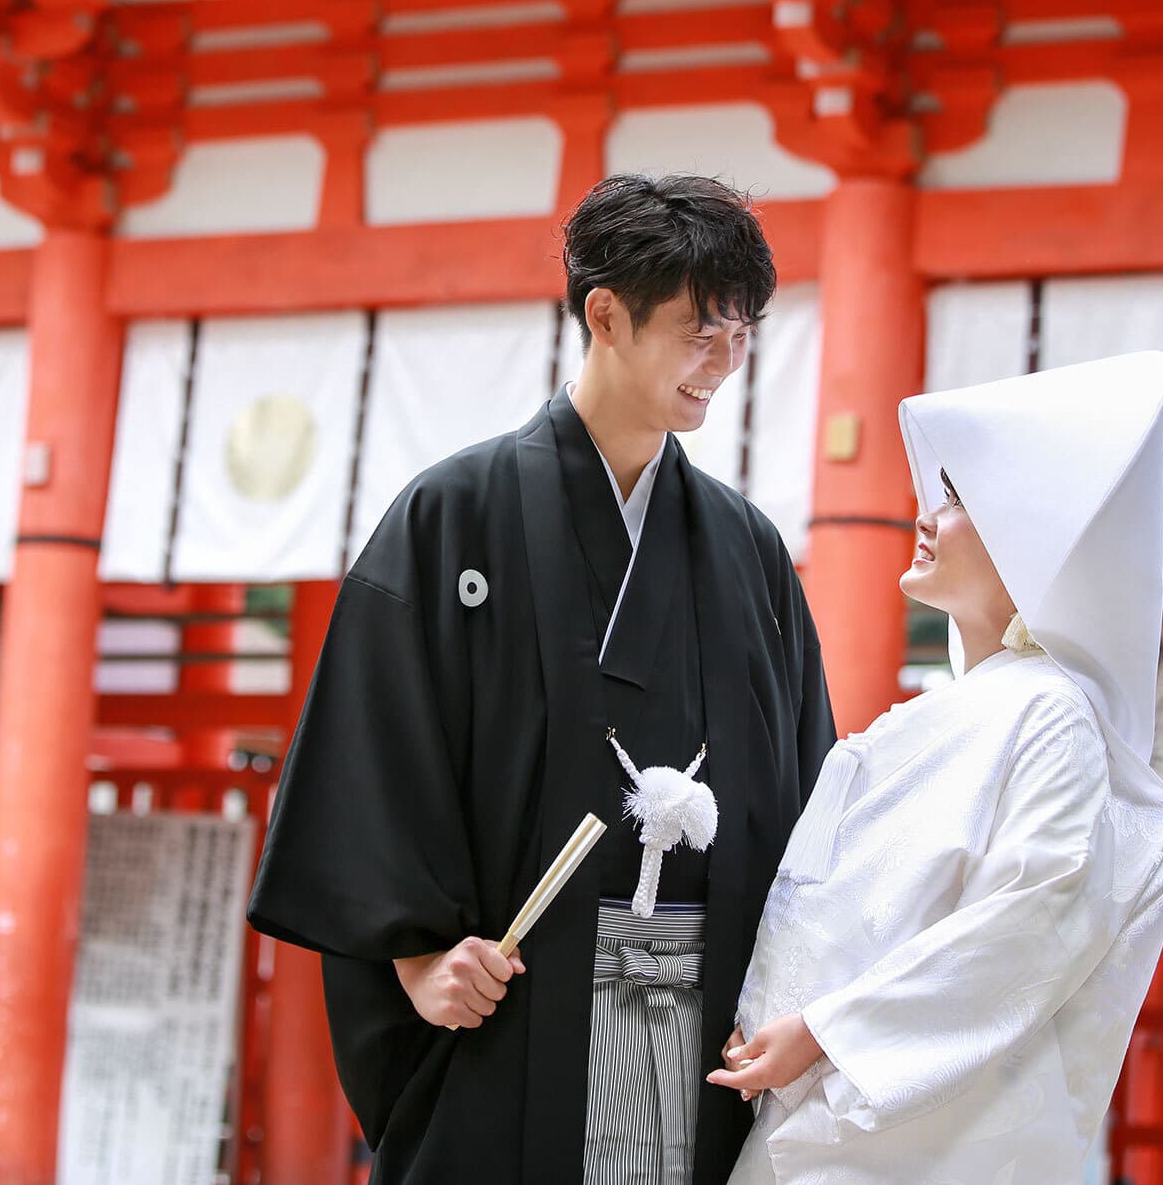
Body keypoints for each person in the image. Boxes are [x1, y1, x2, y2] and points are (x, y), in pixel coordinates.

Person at [247, 174, 837, 1185]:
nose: (725, 364)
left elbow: (807, 790)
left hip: (680, 1005)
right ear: (603, 315)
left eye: (742, 334)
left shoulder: (746, 552)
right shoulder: (452, 517)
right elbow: (373, 757)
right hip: (513, 998)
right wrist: (418, 957)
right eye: (701, 332)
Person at [709, 352, 1163, 1183]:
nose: (927, 515)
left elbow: (1030, 919)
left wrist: (829, 1030)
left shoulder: (1050, 711)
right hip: (824, 1114)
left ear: (1035, 544)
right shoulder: (955, 709)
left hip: (915, 1136)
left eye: (961, 499)